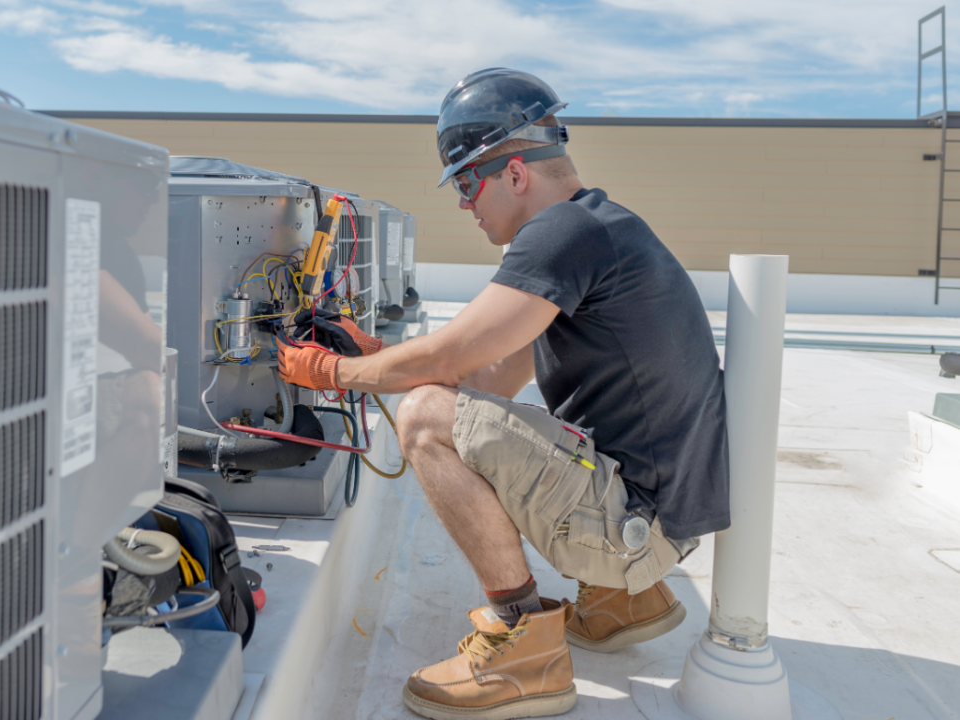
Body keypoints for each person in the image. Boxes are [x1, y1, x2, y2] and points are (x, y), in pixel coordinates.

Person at [279, 68, 729, 720]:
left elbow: (449, 360)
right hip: (661, 519)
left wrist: (328, 372)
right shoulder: (601, 229)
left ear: (515, 172)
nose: (463, 202)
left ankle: (523, 643)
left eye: (465, 180)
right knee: (460, 408)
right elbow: (487, 377)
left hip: (634, 526)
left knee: (426, 419)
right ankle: (623, 599)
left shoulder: (558, 234)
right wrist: (378, 355)